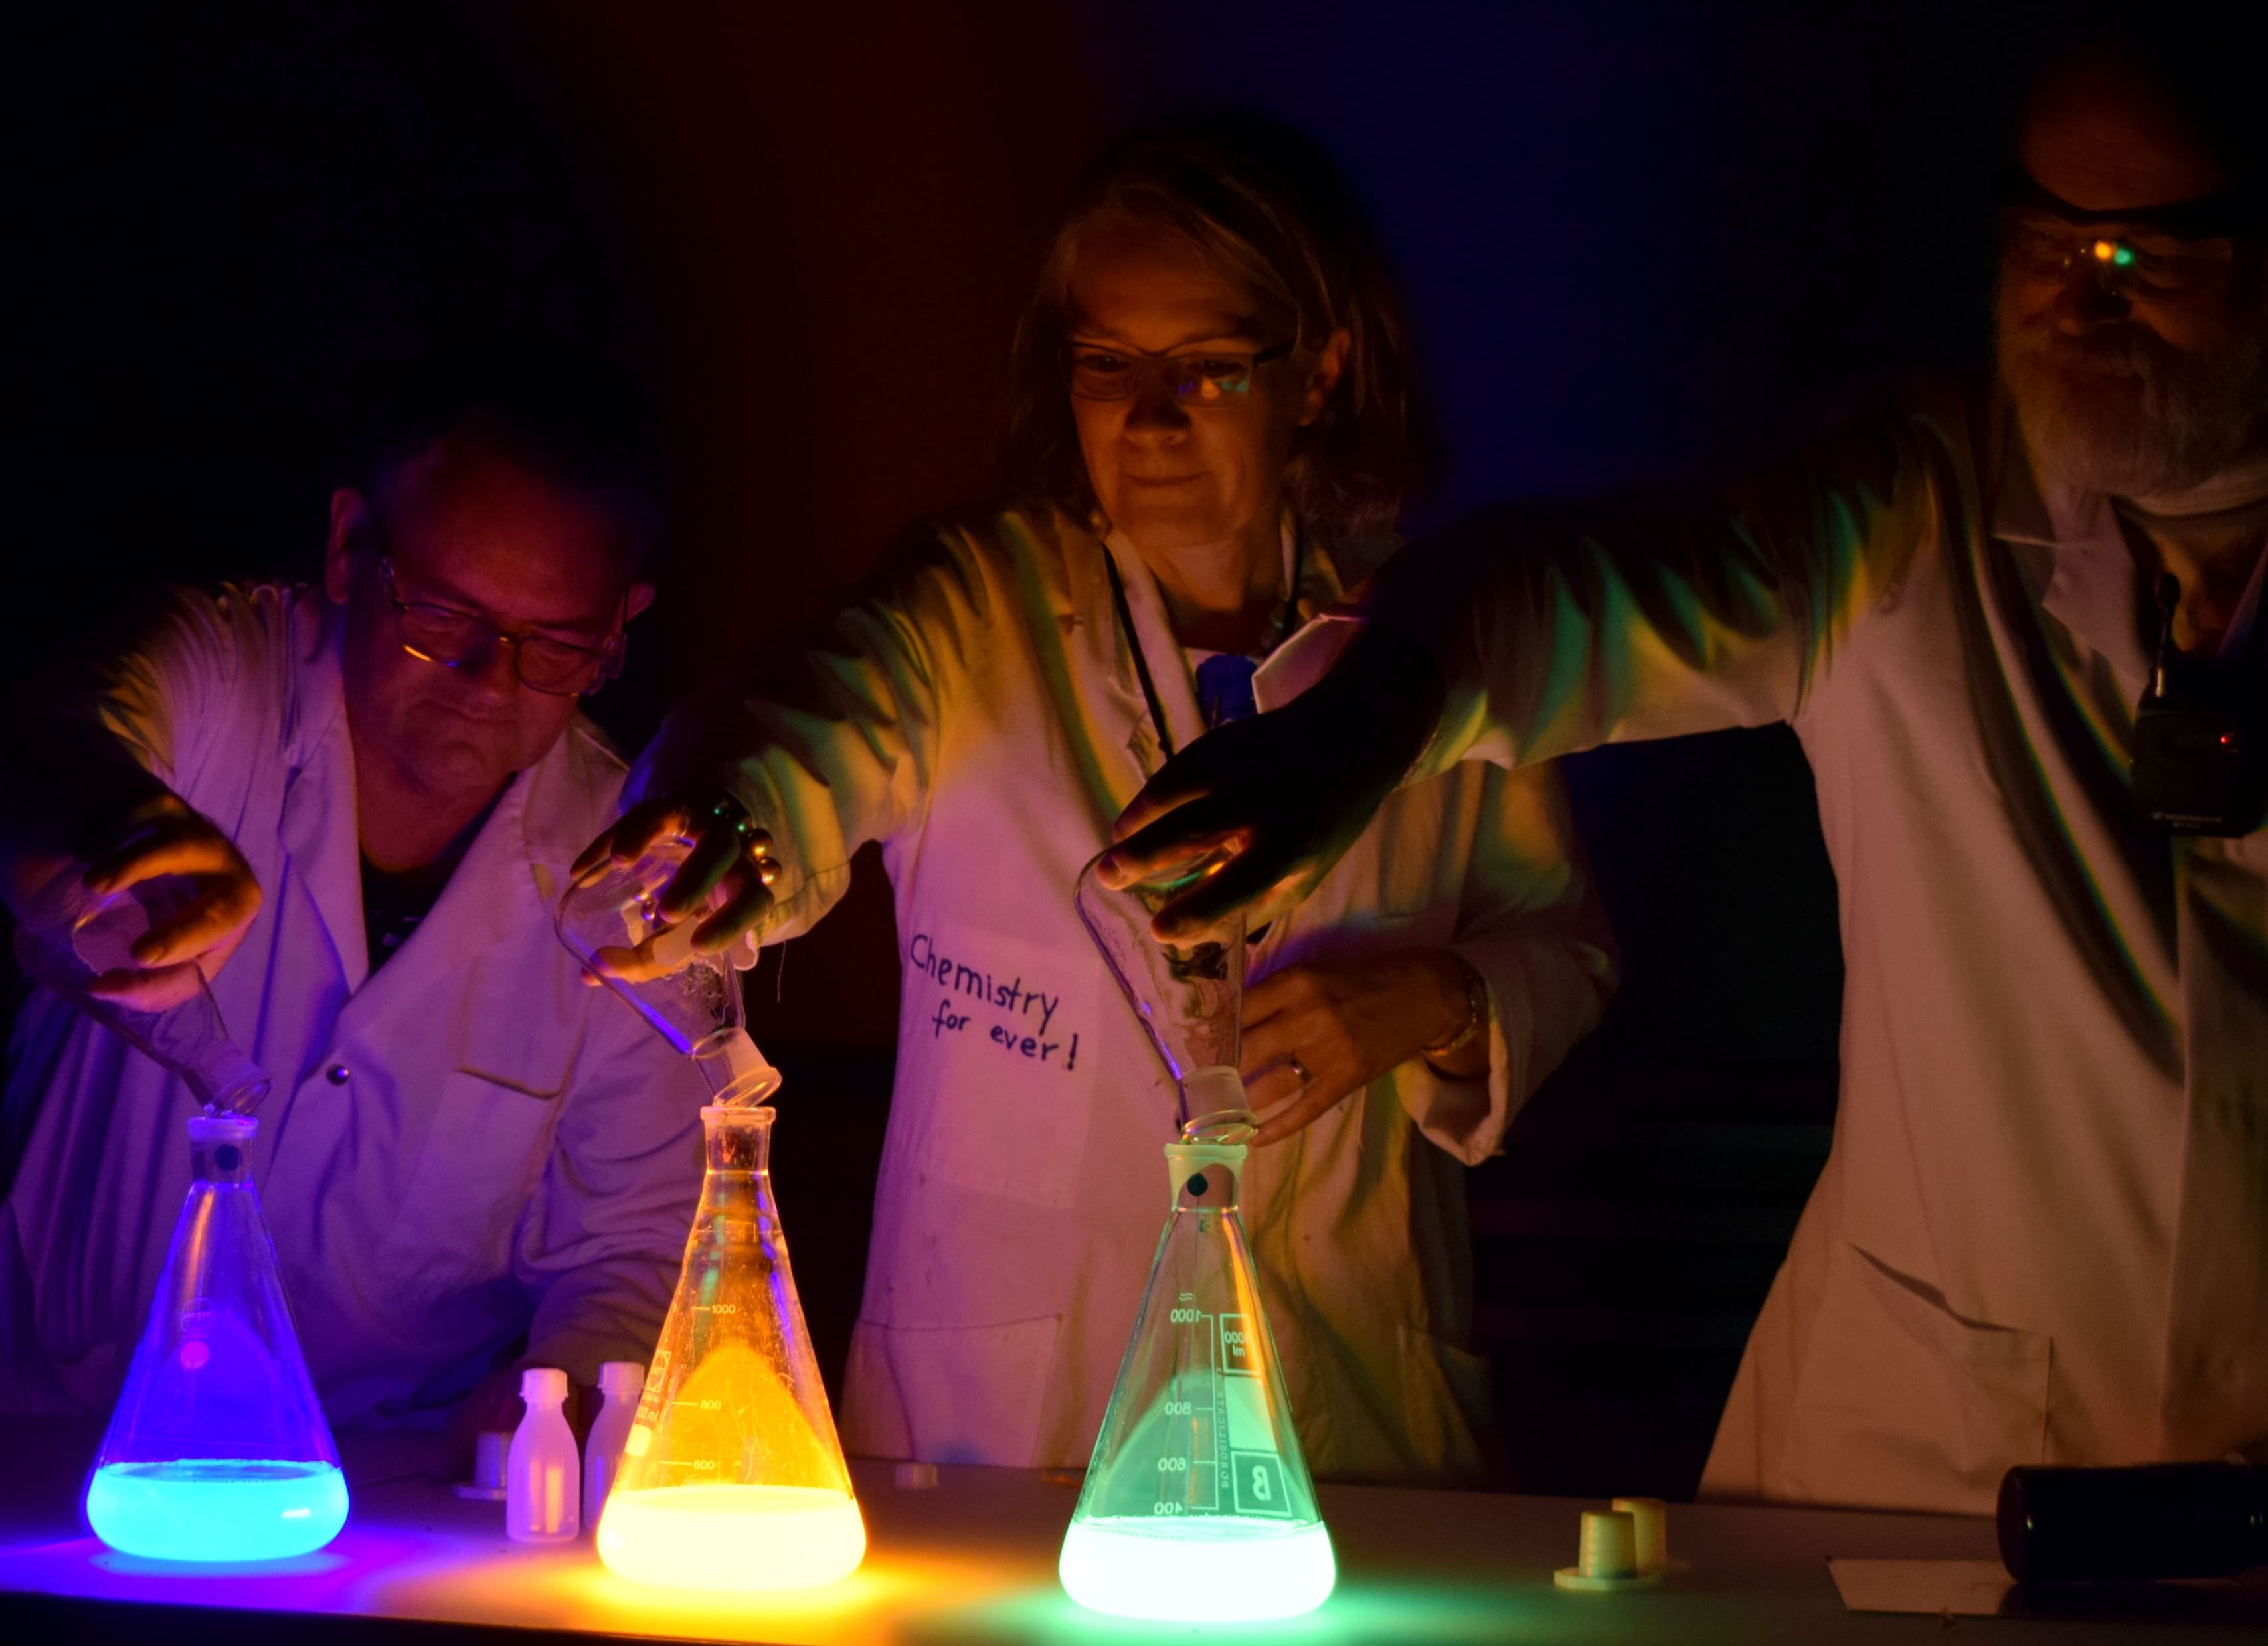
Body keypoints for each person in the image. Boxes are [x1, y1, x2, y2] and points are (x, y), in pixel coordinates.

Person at [1102, 6, 2268, 1515]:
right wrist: (1359, 720)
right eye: (2044, 246)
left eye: (2153, 258)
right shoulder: (1909, 512)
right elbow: (1573, 588)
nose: (2080, 302)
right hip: (1918, 1486)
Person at [584, 120, 1614, 1486]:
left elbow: (1563, 943)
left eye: (1206, 369)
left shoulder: (1428, 640)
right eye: (1109, 366)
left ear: (1324, 371)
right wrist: (727, 816)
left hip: (1353, 1404)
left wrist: (1427, 1002)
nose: (1149, 420)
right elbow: (804, 717)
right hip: (1007, 1433)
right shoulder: (978, 610)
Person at [0, 350, 708, 1438]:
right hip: (50, 1448)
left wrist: (539, 1435)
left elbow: (633, 1248)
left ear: (619, 628)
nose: (490, 681)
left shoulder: (632, 873)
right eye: (442, 615)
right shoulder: (223, 679)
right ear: (347, 548)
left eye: (556, 646)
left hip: (391, 1503)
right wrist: (119, 826)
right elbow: (45, 745)